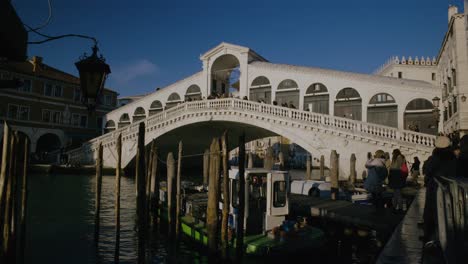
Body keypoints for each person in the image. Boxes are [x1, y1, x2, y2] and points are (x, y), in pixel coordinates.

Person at [422, 136, 456, 242]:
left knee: (432, 212)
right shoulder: (453, 158)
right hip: (450, 188)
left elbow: (426, 170)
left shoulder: (435, 157)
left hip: (435, 187)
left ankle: (431, 237)